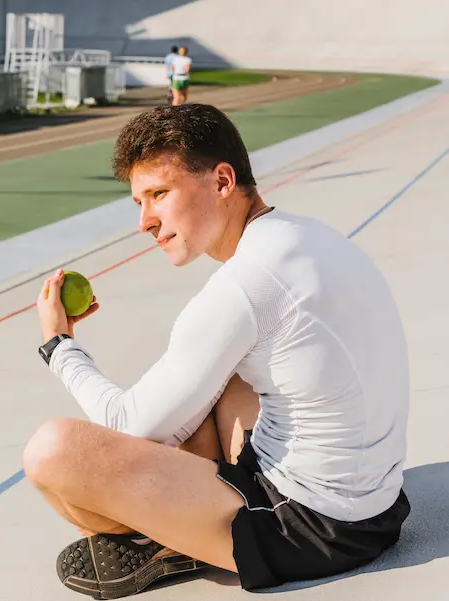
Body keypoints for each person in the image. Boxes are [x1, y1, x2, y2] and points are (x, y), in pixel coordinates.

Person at [25, 103, 411, 599]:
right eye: (139, 202)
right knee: (208, 378)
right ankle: (190, 518)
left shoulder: (243, 286)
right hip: (374, 506)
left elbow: (129, 426)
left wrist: (60, 346)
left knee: (53, 453)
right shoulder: (305, 236)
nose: (145, 220)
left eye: (159, 194)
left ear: (223, 181)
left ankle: (176, 540)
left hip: (310, 529)